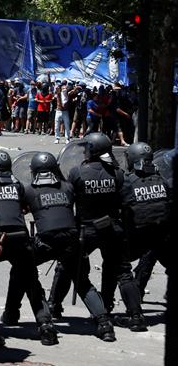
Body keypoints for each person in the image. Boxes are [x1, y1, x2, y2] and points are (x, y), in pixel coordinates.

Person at [13, 152, 116, 341]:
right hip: (71, 240)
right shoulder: (68, 187)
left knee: (26, 273)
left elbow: (22, 209)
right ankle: (105, 325)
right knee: (83, 283)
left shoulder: (28, 190)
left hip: (45, 242)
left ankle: (43, 324)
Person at [48, 132, 146, 331]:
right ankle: (136, 315)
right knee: (122, 272)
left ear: (92, 151)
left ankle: (54, 306)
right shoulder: (117, 173)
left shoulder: (77, 173)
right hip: (112, 229)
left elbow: (68, 201)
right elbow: (127, 204)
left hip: (86, 230)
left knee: (67, 266)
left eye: (86, 148)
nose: (84, 151)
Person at [0, 150, 57, 345]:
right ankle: (46, 326)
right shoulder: (17, 185)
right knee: (32, 283)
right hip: (20, 237)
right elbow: (24, 207)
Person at [119, 142, 171, 298]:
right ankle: (138, 291)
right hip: (160, 233)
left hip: (138, 235)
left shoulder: (128, 181)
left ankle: (132, 303)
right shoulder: (162, 180)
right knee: (150, 256)